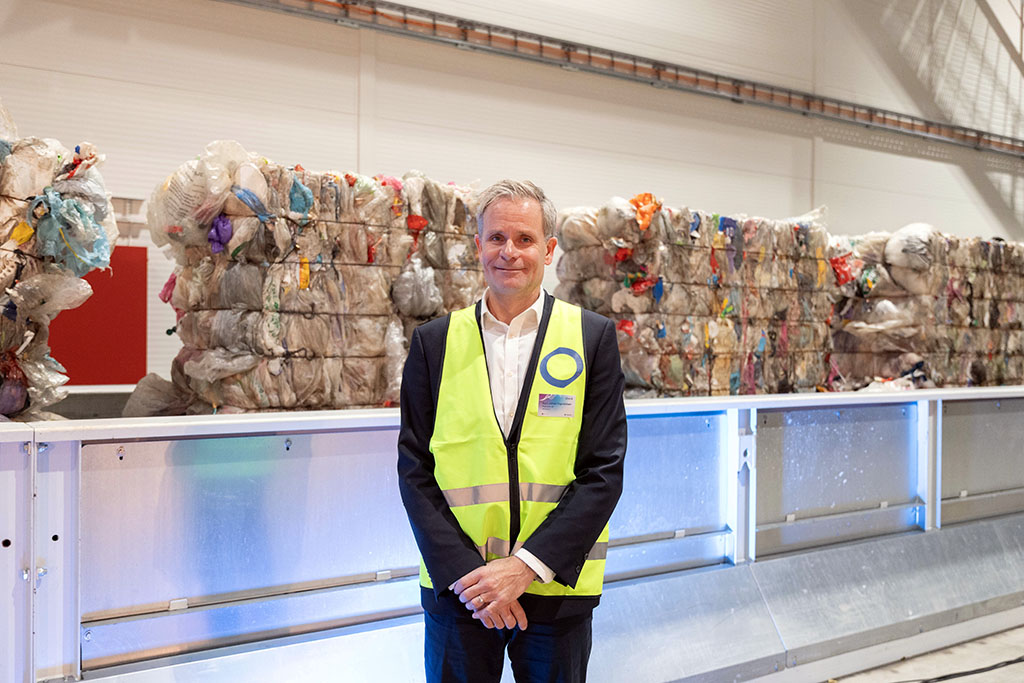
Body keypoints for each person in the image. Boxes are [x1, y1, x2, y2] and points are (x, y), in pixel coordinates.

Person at [397, 179, 627, 682]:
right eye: (497, 238)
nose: (509, 252)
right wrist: (468, 577)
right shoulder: (434, 343)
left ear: (548, 249)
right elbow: (414, 470)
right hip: (461, 592)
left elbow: (603, 472)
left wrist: (525, 568)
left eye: (525, 239)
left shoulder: (591, 338)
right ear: (477, 245)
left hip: (554, 589)